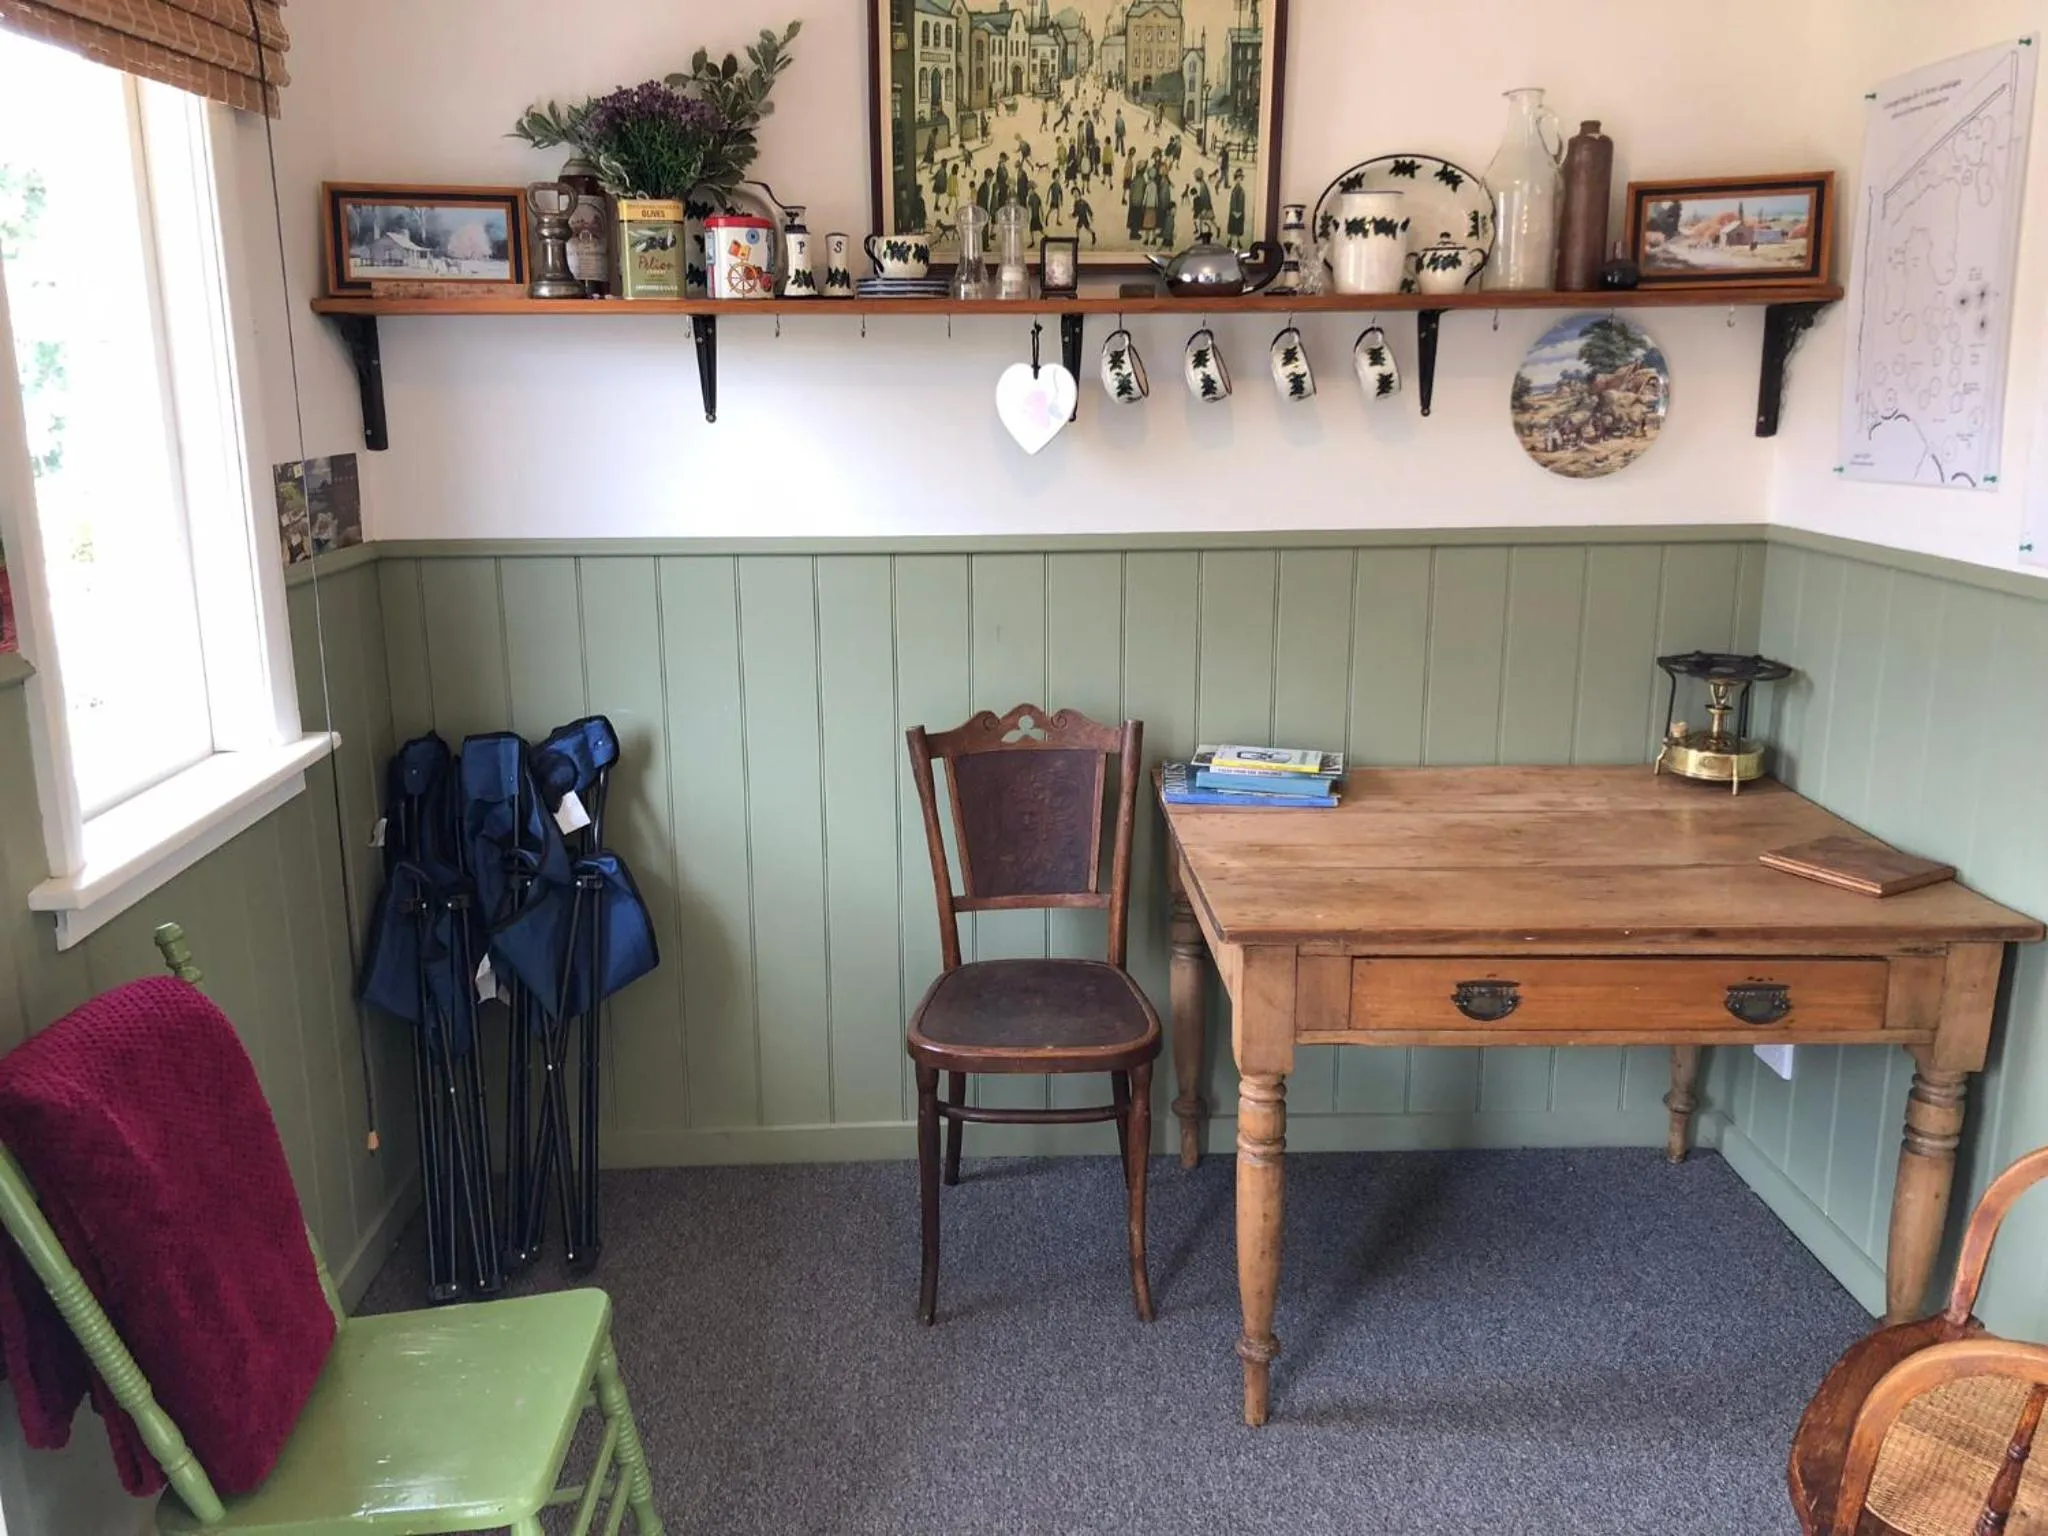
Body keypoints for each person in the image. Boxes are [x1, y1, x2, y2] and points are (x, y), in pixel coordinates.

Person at [1226, 167, 1246, 242]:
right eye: (1237, 178)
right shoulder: (1234, 190)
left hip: (1240, 212)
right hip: (1233, 211)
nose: (1238, 179)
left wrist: (1240, 212)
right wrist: (1234, 211)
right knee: (1232, 226)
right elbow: (1232, 202)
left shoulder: (1242, 191)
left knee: (1238, 227)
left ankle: (1238, 241)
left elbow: (1242, 202)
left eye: (1240, 178)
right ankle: (1230, 239)